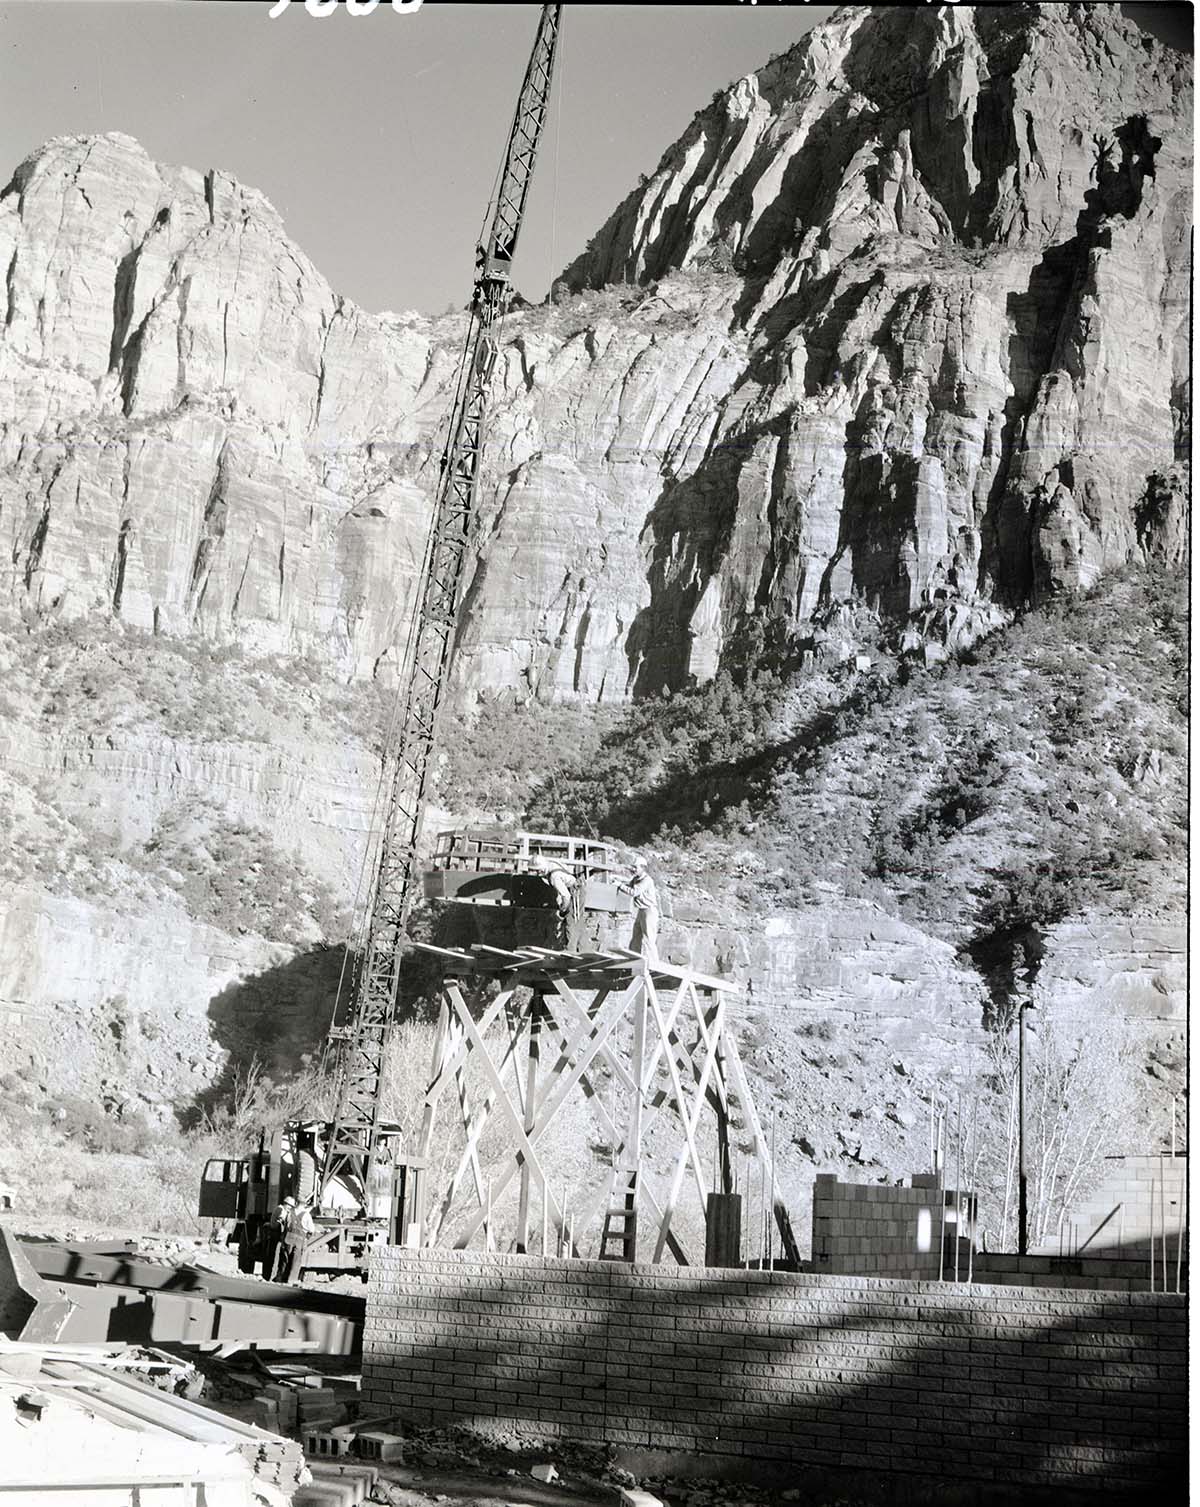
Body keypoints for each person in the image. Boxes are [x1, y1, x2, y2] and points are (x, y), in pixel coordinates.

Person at [618, 855, 660, 961]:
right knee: (636, 936)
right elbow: (629, 885)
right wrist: (619, 883)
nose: (634, 869)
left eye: (636, 867)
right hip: (641, 911)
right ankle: (633, 959)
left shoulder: (647, 880)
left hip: (649, 911)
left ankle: (654, 964)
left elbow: (634, 892)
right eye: (633, 867)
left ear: (643, 868)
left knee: (649, 938)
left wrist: (620, 886)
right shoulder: (636, 879)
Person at [274, 1196, 316, 1284]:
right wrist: (306, 1238)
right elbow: (311, 1230)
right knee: (296, 1261)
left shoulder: (289, 1213)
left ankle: (281, 1278)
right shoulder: (307, 1215)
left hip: (288, 1239)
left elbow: (284, 1224)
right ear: (304, 1204)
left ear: (296, 1203)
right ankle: (291, 1280)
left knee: (285, 1260)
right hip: (299, 1241)